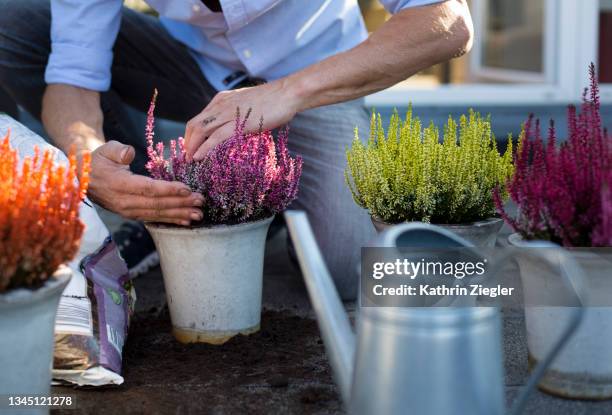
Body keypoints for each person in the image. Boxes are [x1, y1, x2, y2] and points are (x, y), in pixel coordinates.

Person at [0, 0, 473, 300]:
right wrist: (87, 158)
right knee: (15, 21)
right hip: (192, 68)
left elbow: (447, 21)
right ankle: (169, 205)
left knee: (346, 274)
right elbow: (73, 80)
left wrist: (286, 93)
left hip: (316, 79)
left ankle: (261, 199)